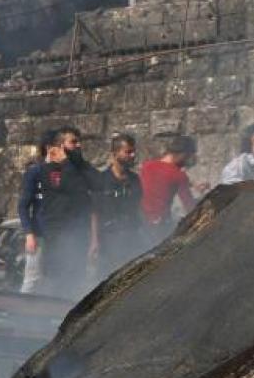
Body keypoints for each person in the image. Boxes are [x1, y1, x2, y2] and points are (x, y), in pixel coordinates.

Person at [18, 127, 99, 300]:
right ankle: (20, 317)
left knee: (70, 280)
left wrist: (93, 238)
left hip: (68, 235)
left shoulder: (76, 169)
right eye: (73, 142)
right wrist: (29, 233)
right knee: (33, 280)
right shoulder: (38, 172)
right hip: (42, 234)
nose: (78, 145)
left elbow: (88, 201)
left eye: (79, 141)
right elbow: (24, 205)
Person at [94, 132, 145, 277]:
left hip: (132, 236)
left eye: (133, 151)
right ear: (115, 153)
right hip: (109, 238)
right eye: (128, 152)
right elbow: (94, 212)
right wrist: (94, 241)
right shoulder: (101, 180)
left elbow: (138, 207)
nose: (132, 155)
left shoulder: (135, 179)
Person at [139, 134, 201, 245]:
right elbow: (189, 206)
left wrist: (192, 184)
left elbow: (161, 181)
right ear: (183, 154)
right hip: (160, 227)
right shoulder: (179, 175)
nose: (188, 161)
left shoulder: (147, 166)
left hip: (142, 223)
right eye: (189, 156)